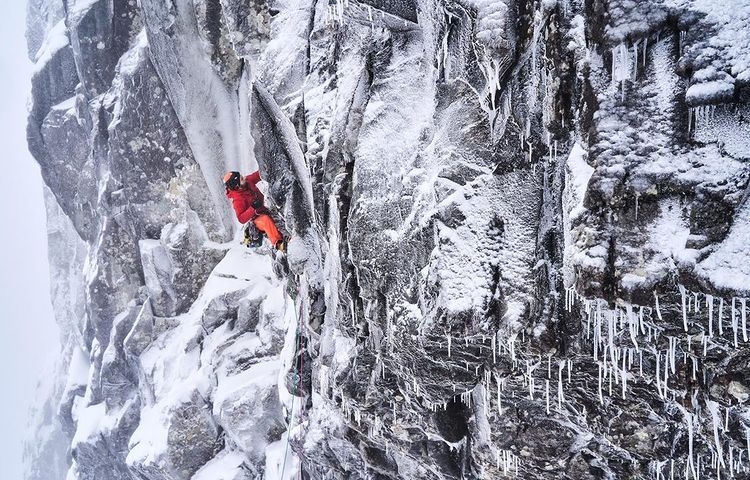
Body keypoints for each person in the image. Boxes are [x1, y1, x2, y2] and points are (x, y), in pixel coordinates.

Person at [223, 171, 286, 251]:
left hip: (264, 209)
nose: (244, 177)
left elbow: (258, 175)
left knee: (278, 216)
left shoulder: (247, 182)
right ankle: (279, 244)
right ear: (237, 185)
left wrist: (267, 168)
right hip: (256, 220)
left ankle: (287, 235)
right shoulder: (238, 200)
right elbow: (241, 218)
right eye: (241, 178)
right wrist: (253, 208)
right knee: (265, 220)